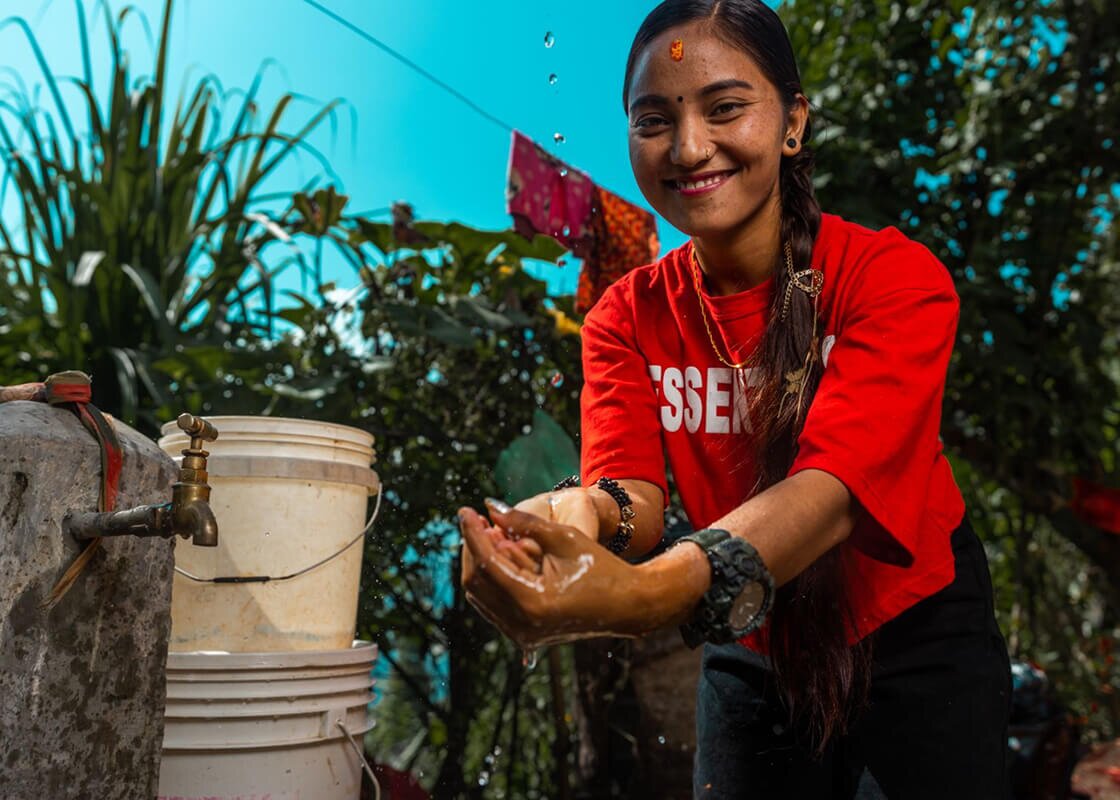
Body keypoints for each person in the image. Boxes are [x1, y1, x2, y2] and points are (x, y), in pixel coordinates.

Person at [458, 1, 1012, 797]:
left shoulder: (892, 279)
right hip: (752, 636)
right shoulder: (623, 316)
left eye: (725, 108)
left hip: (915, 628)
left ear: (792, 124)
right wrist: (568, 518)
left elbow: (833, 492)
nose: (688, 148)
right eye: (654, 120)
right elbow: (630, 494)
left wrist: (652, 594)